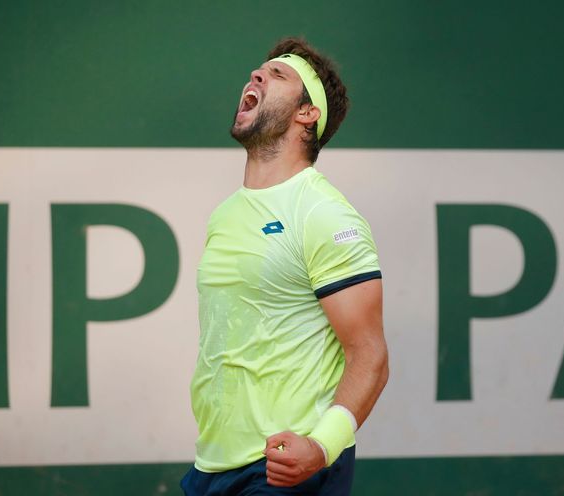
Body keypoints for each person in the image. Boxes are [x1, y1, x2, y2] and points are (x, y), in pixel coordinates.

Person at [181, 37, 389, 495]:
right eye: (257, 71)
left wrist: (321, 446)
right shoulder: (225, 215)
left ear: (306, 113)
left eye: (278, 75)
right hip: (212, 465)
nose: (255, 76)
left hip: (286, 467)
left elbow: (369, 353)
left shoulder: (324, 213)